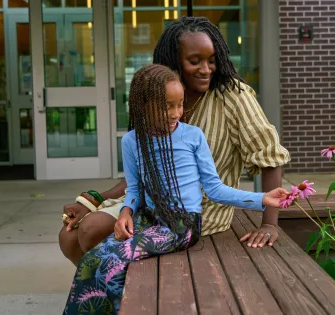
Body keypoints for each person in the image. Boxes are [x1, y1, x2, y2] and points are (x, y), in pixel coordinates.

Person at [59, 16, 291, 266]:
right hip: (149, 204)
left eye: (212, 60)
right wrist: (95, 199)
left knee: (91, 229)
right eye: (195, 61)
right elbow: (144, 170)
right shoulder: (159, 97)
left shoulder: (232, 96)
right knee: (69, 237)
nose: (206, 69)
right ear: (173, 62)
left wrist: (269, 224)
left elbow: (270, 157)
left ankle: (119, 294)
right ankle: (109, 298)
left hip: (195, 211)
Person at [63, 64, 288, 314]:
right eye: (167, 106)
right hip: (148, 220)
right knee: (90, 261)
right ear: (143, 106)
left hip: (181, 226)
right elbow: (135, 189)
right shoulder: (131, 141)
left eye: (180, 104)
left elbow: (215, 189)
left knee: (111, 263)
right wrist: (125, 213)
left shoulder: (193, 137)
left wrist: (263, 199)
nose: (176, 113)